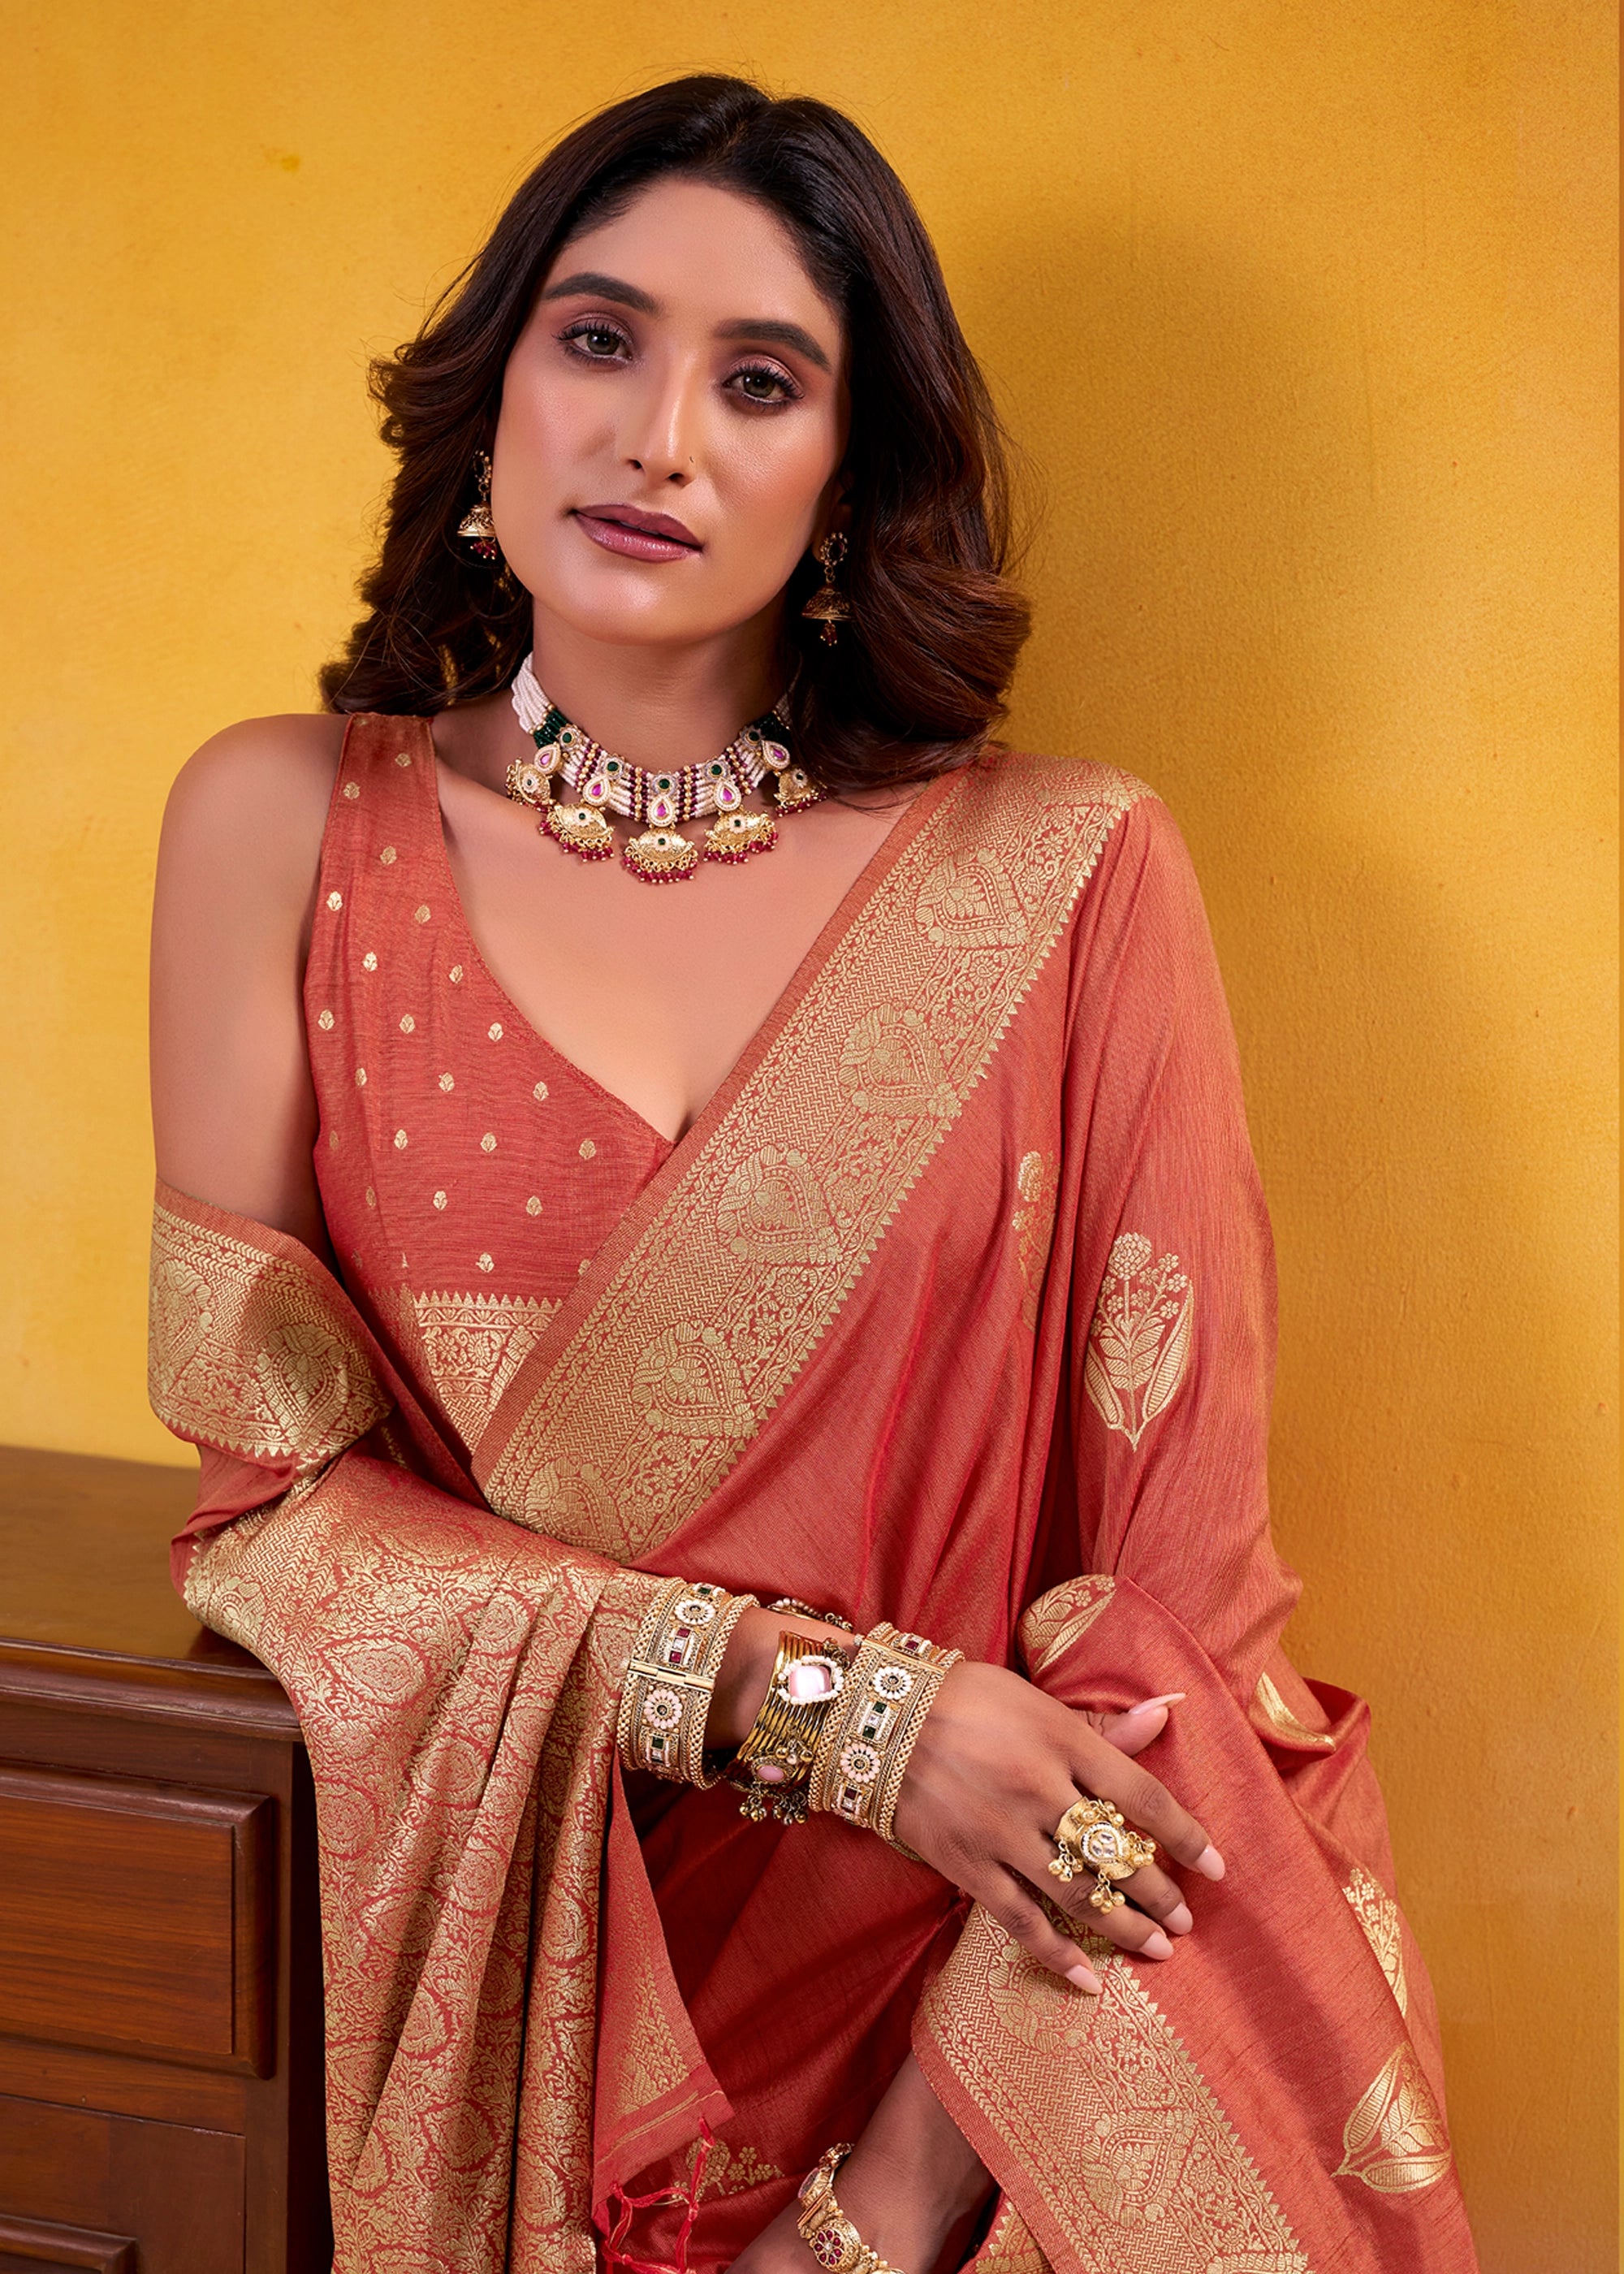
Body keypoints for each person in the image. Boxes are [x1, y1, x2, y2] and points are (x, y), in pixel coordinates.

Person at [147, 74, 1479, 2274]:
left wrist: (879, 2218)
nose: (657, 436)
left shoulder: (1063, 882)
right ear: (493, 398)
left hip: (984, 2087)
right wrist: (840, 1715)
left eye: (759, 382)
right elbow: (272, 1511)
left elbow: (1184, 1645)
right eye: (598, 339)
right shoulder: (287, 828)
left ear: (848, 481)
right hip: (517, 2031)